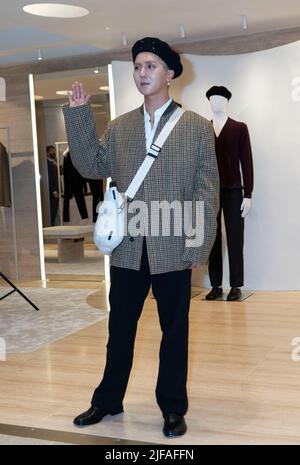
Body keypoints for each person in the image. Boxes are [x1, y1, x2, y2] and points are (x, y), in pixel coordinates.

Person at [62, 37, 219, 438]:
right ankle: (107, 400)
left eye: (151, 66)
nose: (143, 73)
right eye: (137, 66)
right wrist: (79, 117)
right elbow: (91, 164)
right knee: (120, 329)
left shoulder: (198, 127)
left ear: (169, 73)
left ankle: (172, 407)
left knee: (175, 331)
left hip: (173, 246)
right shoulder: (120, 127)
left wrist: (196, 245)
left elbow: (207, 190)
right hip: (128, 247)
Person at [205, 86, 254, 301]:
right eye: (212, 100)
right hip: (209, 191)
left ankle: (236, 285)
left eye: (220, 99)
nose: (216, 103)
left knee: (235, 238)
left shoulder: (239, 128)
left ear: (227, 102)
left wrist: (248, 194)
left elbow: (247, 162)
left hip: (234, 190)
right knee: (213, 239)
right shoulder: (204, 129)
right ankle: (215, 285)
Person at [46, 145, 59, 226]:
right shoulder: (47, 163)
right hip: (52, 191)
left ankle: (52, 224)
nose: (53, 152)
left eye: (54, 151)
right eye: (51, 151)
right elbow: (50, 178)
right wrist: (54, 191)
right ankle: (51, 225)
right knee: (52, 209)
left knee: (55, 209)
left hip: (57, 190)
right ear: (47, 153)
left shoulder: (54, 162)